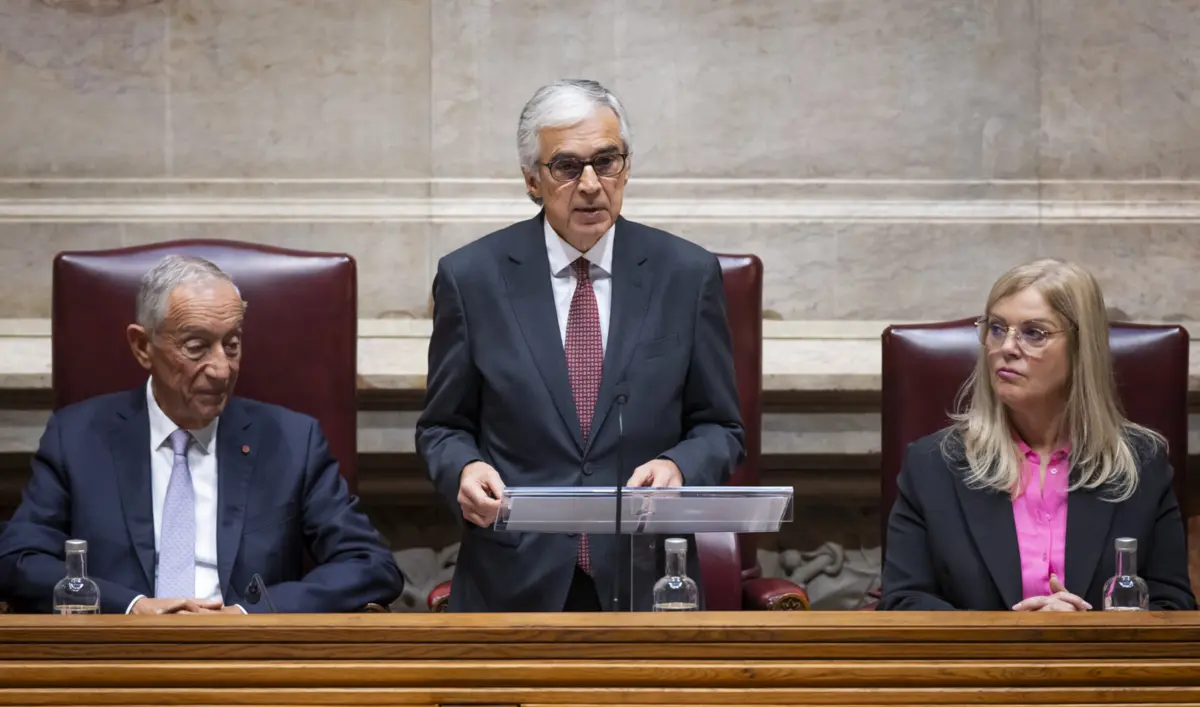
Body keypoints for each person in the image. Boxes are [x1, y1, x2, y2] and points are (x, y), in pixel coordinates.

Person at [416, 79, 744, 612]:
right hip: (512, 582)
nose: (591, 184)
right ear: (531, 180)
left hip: (647, 580)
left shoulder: (686, 274)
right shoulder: (471, 278)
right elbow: (443, 427)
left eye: (606, 161)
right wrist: (465, 469)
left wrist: (679, 466)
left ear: (626, 167)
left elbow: (720, 427)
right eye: (568, 167)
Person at [0, 255, 403, 614]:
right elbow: (17, 559)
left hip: (249, 664)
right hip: (118, 659)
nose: (222, 369)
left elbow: (371, 565)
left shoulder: (293, 442)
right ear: (143, 346)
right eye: (197, 347)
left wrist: (253, 614)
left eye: (232, 344)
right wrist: (132, 607)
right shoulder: (77, 437)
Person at [880, 258, 1195, 612]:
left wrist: (1086, 632)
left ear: (1081, 348)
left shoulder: (1141, 466)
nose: (1007, 347)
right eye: (997, 328)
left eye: (1034, 333)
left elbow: (1174, 607)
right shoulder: (932, 465)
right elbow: (902, 601)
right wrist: (1006, 636)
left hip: (1101, 666)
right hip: (974, 665)